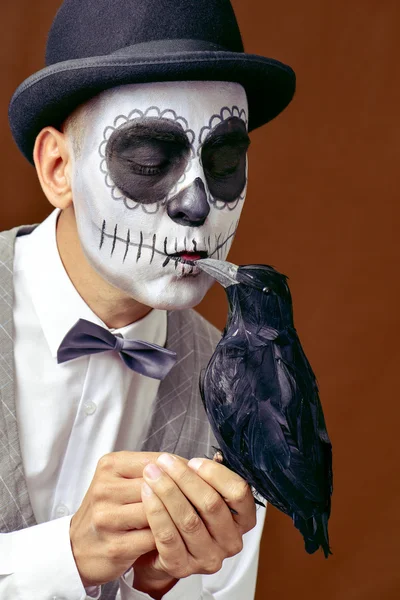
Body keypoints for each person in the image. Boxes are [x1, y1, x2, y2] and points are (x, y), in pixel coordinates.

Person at [0, 0, 295, 598]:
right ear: (58, 167)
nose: (197, 205)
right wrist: (63, 559)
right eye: (148, 161)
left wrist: (161, 585)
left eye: (225, 161)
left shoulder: (243, 392)